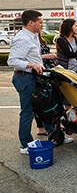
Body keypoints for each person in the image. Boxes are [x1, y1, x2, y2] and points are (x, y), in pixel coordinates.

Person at [7, 10, 69, 155]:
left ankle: (55, 135)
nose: (42, 25)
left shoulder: (33, 36)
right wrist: (32, 65)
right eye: (40, 22)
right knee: (28, 112)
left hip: (35, 77)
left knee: (44, 107)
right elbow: (13, 61)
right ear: (31, 23)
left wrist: (41, 61)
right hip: (25, 78)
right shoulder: (22, 38)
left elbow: (32, 55)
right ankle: (25, 145)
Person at [35, 32, 58, 136]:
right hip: (39, 71)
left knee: (47, 100)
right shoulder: (28, 40)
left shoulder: (40, 40)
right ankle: (43, 128)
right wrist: (47, 56)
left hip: (47, 70)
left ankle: (50, 127)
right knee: (40, 101)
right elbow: (32, 57)